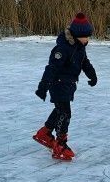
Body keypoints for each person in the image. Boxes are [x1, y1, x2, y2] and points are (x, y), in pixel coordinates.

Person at [33, 13, 98, 161]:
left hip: (68, 84)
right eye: (85, 37)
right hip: (58, 84)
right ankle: (60, 144)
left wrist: (92, 75)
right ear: (76, 35)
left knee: (60, 110)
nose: (87, 39)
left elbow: (84, 63)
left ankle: (45, 133)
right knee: (65, 113)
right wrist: (43, 86)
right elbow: (51, 68)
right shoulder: (62, 49)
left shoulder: (80, 46)